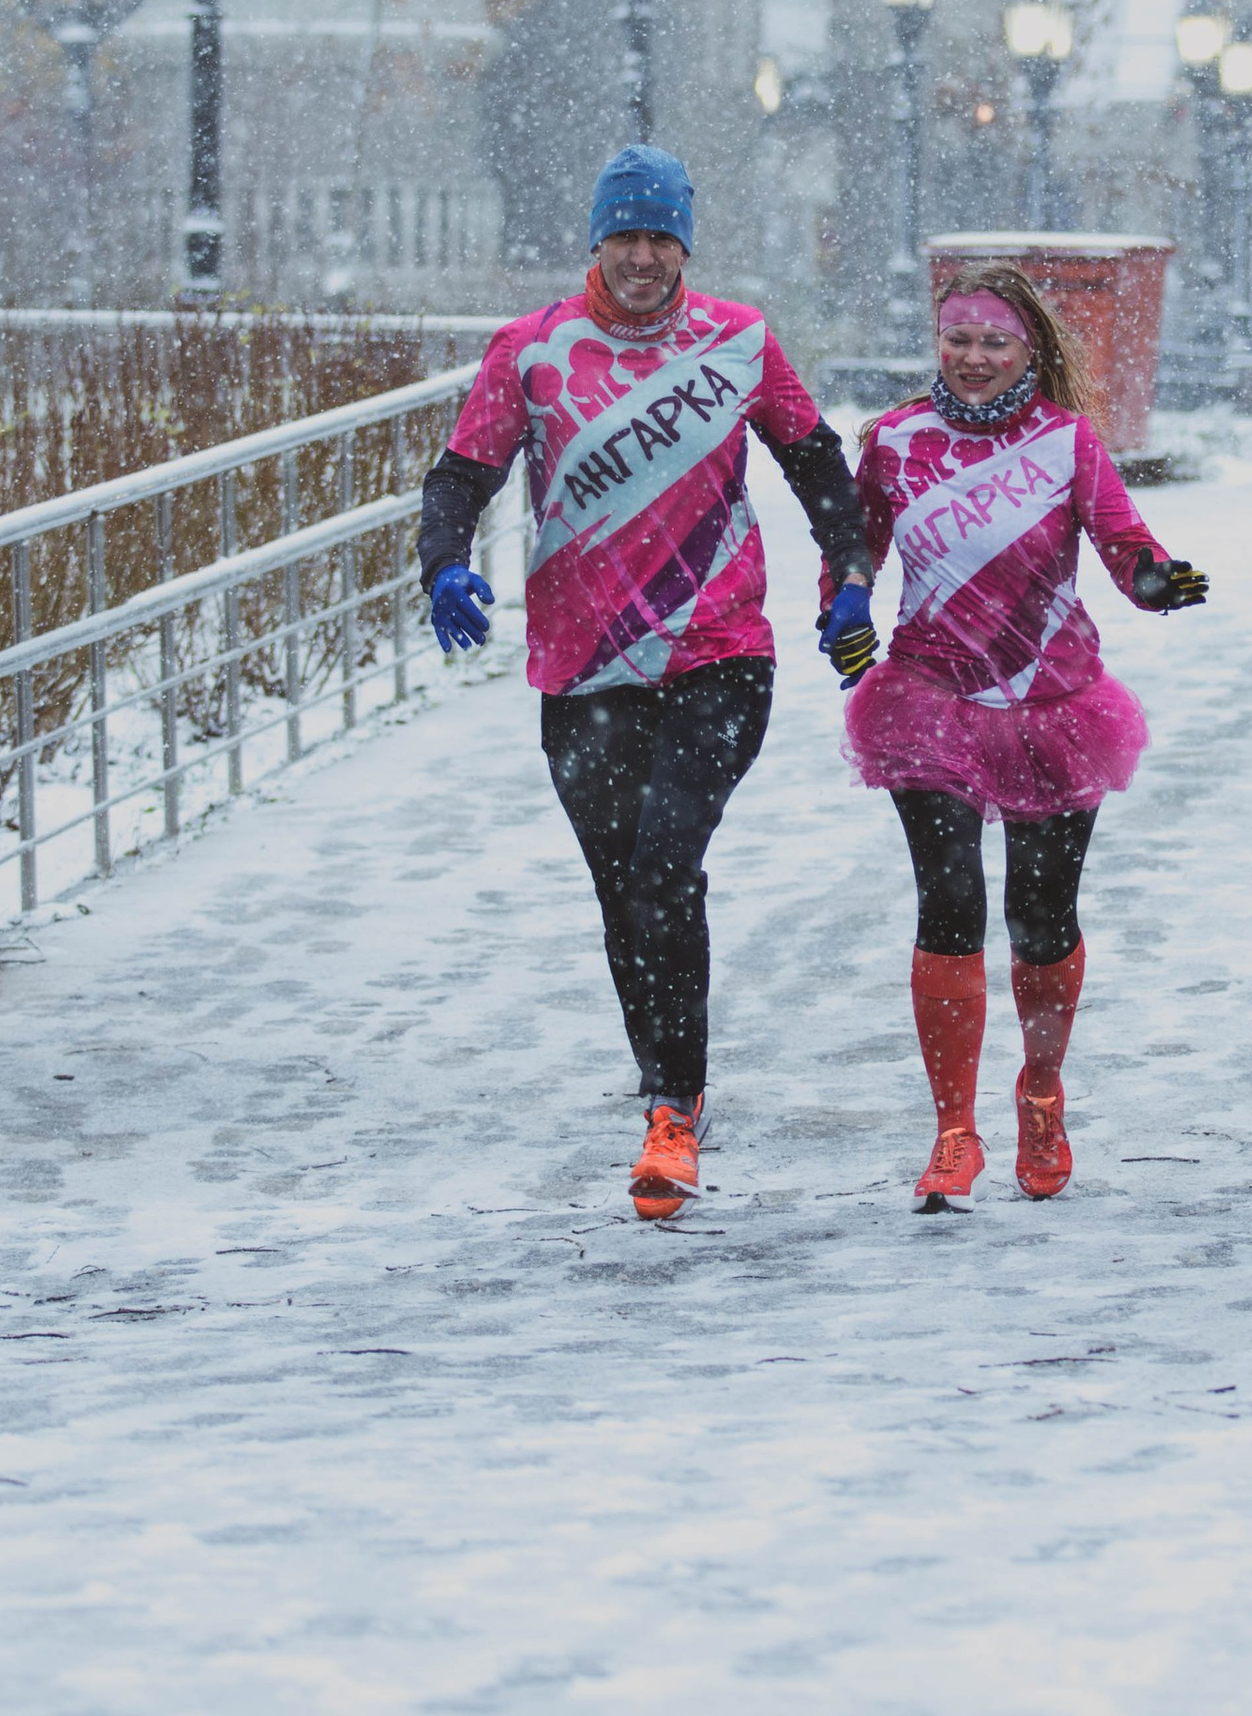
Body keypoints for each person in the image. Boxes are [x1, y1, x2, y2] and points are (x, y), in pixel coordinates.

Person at [419, 144, 872, 1223]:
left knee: (666, 860)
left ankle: (674, 1104)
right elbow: (461, 474)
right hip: (581, 666)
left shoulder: (738, 341)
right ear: (596, 241)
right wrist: (442, 561)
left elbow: (816, 462)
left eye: (661, 237)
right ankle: (663, 1063)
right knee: (625, 886)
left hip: (719, 651)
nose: (641, 256)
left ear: (685, 246)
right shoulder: (532, 352)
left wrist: (848, 578)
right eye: (622, 235)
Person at [836, 268, 1209, 1213]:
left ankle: (1039, 1095)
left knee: (1041, 923)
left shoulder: (1066, 442)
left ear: (1028, 350)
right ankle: (952, 1132)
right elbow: (857, 549)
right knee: (950, 900)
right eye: (957, 338)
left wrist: (1157, 579)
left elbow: (1125, 544)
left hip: (1053, 704)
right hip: (929, 697)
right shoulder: (891, 443)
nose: (972, 357)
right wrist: (843, 606)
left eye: (993, 341)